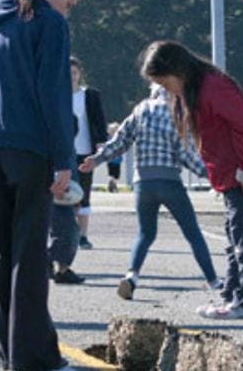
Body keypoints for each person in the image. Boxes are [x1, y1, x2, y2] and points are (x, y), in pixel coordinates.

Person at [0, 0, 84, 371]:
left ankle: (5, 349)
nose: (67, 11)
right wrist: (64, 158)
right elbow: (54, 94)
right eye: (70, 2)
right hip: (30, 149)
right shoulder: (48, 23)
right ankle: (31, 352)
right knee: (29, 254)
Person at [140, 40, 243, 320]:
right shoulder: (194, 89)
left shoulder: (213, 87)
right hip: (232, 173)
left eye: (165, 83)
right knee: (235, 236)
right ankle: (232, 296)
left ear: (177, 70)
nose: (165, 90)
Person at [80, 84, 221, 300]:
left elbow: (121, 141)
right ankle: (213, 281)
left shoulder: (141, 109)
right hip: (170, 181)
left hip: (143, 183)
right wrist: (213, 175)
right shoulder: (177, 113)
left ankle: (132, 276)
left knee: (145, 234)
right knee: (192, 233)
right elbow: (186, 154)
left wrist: (97, 159)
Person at [69, 56, 107, 249]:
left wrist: (101, 143)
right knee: (64, 194)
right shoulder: (56, 95)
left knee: (83, 194)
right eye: (68, 73)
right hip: (64, 153)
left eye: (74, 73)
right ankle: (66, 233)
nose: (71, 77)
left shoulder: (90, 95)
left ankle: (83, 235)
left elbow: (99, 121)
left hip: (85, 151)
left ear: (80, 74)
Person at [105, 122, 122, 192]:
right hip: (117, 160)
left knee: (111, 173)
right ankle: (114, 184)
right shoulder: (119, 139)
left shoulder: (108, 139)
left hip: (110, 159)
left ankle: (111, 182)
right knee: (116, 174)